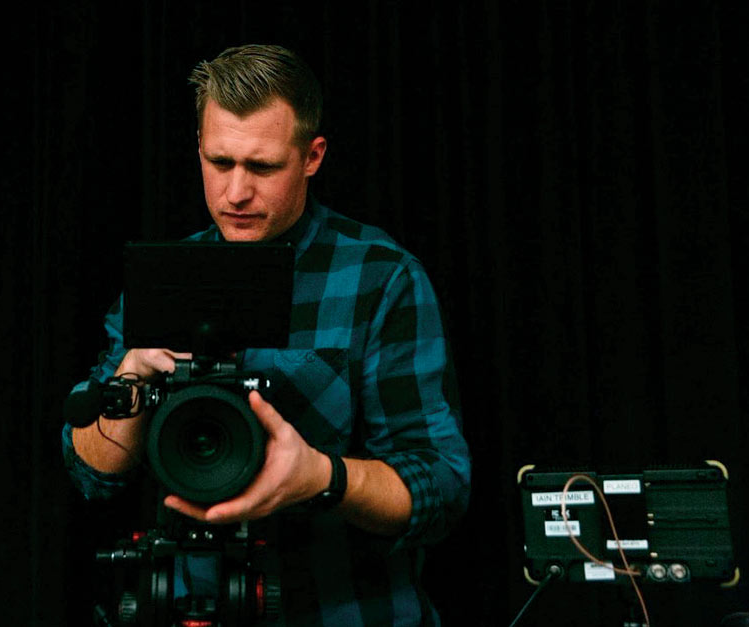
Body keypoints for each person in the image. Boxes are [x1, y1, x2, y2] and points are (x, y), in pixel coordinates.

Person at [62, 44, 470, 626]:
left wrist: (321, 477)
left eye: (262, 167)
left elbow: (441, 486)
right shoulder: (163, 279)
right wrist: (129, 379)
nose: (236, 194)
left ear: (312, 156)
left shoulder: (380, 279)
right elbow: (90, 472)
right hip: (192, 610)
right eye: (219, 162)